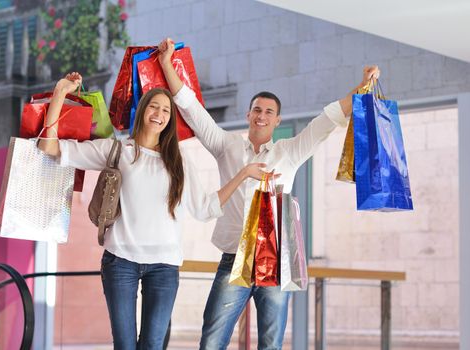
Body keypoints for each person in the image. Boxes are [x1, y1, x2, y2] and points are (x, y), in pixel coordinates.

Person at [157, 38, 380, 349]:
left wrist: (362, 86)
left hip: (275, 263)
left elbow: (327, 121)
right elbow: (192, 109)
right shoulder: (226, 146)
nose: (261, 115)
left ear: (277, 120)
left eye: (269, 112)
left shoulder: (289, 152)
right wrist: (167, 63)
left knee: (271, 343)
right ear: (249, 115)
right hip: (233, 260)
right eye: (257, 110)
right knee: (211, 340)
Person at [37, 72, 273, 350]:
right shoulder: (118, 151)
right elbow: (48, 147)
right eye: (154, 106)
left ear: (170, 119)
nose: (159, 113)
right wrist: (60, 93)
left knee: (152, 344)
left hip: (164, 267)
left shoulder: (178, 161)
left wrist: (243, 173)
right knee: (124, 345)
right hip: (120, 262)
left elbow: (206, 208)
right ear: (143, 111)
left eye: (166, 110)